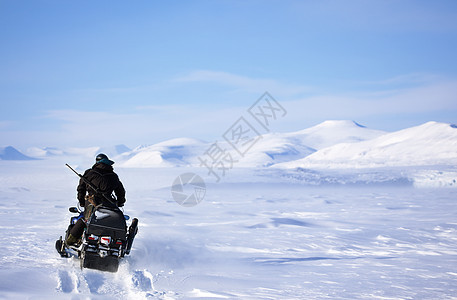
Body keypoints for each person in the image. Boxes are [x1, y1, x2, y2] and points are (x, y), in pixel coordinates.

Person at [65, 153, 126, 245]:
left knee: (84, 220)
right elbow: (121, 192)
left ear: (97, 162)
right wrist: (120, 202)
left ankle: (70, 241)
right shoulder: (114, 176)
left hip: (92, 203)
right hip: (109, 204)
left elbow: (81, 188)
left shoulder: (89, 173)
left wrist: (81, 201)